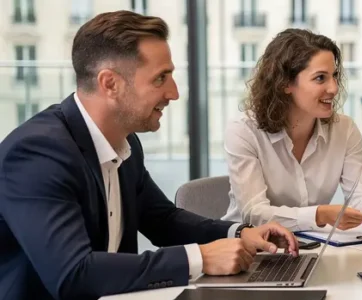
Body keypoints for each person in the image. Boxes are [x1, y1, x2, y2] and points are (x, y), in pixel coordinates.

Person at [0, 11, 299, 300]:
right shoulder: (37, 153)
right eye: (160, 78)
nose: (174, 92)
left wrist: (239, 233)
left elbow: (163, 220)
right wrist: (200, 258)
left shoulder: (124, 140)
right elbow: (73, 273)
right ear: (110, 84)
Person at [221, 28, 362, 232]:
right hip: (247, 247)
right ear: (285, 83)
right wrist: (319, 215)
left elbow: (359, 197)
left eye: (334, 76)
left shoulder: (344, 130)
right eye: (320, 78)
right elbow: (255, 214)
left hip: (310, 245)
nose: (334, 88)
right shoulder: (244, 131)